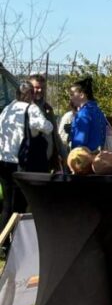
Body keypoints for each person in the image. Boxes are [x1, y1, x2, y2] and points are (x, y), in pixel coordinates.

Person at [0, 82, 54, 250]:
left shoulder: (8, 109)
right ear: (29, 95)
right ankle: (16, 243)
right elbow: (47, 127)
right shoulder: (31, 109)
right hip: (20, 162)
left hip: (3, 160)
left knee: (7, 203)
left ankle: (3, 242)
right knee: (21, 204)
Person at [28, 73, 62, 172]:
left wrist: (62, 154)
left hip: (47, 160)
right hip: (30, 160)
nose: (40, 90)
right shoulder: (24, 108)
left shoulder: (48, 109)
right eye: (36, 87)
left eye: (42, 87)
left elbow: (55, 134)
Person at [69, 77, 108, 151]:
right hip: (98, 156)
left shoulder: (83, 114)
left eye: (72, 94)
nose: (71, 98)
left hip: (85, 158)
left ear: (82, 95)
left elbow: (79, 143)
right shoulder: (98, 111)